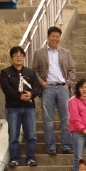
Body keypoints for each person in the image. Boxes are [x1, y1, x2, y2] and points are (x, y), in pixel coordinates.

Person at [32, 25, 75, 155]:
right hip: (48, 88)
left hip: (63, 87)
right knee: (47, 118)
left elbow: (72, 70)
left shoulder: (65, 53)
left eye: (57, 37)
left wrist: (68, 83)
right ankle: (51, 146)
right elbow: (35, 70)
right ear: (48, 37)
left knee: (66, 118)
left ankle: (66, 145)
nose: (55, 39)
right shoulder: (39, 53)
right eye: (53, 36)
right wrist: (42, 83)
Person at [0, 45, 41, 167]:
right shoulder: (5, 72)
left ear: (23, 56)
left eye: (20, 55)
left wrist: (31, 94)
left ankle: (30, 158)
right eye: (15, 55)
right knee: (13, 135)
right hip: (13, 108)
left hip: (29, 108)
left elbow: (37, 87)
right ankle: (15, 159)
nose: (18, 57)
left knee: (31, 135)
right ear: (11, 57)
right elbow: (6, 88)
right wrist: (19, 96)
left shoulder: (30, 72)